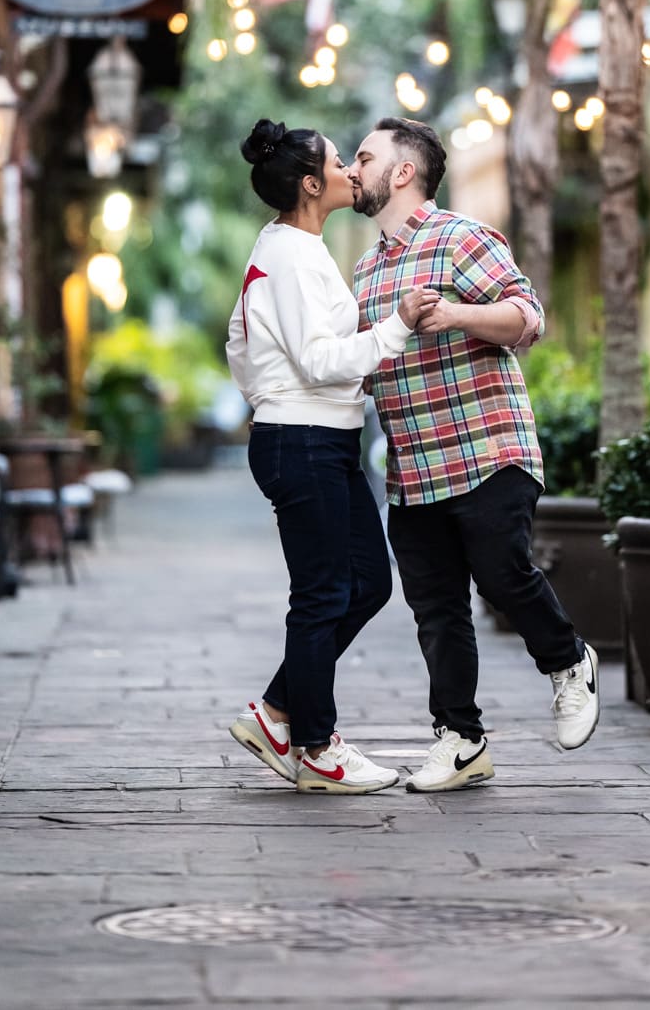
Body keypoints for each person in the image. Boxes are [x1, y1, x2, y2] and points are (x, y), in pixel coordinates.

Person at [350, 117, 599, 794]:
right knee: (435, 611)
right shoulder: (366, 271)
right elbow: (364, 366)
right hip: (413, 468)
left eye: (364, 157)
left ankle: (569, 662)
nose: (352, 168)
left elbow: (529, 315)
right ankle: (460, 740)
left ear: (403, 172)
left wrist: (456, 315)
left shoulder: (460, 238)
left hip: (487, 448)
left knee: (501, 576)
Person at [226, 118, 438, 795]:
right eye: (341, 162)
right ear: (313, 184)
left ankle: (278, 711)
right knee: (320, 597)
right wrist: (398, 326)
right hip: (303, 440)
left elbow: (244, 347)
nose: (352, 170)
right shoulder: (288, 255)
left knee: (368, 583)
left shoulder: (297, 248)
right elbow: (318, 361)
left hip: (324, 438)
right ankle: (315, 747)